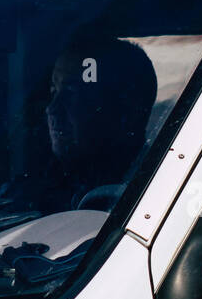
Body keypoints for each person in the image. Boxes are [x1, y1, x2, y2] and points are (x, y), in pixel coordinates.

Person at [19, 36, 159, 214]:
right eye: (54, 89)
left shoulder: (156, 194)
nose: (52, 108)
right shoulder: (36, 187)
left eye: (71, 92)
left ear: (126, 110)